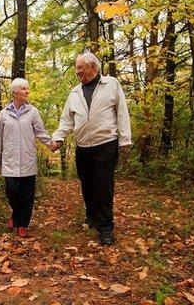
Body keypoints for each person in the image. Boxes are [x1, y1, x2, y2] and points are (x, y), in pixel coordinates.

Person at [50, 52, 132, 245]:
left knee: (103, 185)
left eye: (80, 67)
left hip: (106, 143)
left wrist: (125, 139)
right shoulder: (75, 92)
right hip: (83, 146)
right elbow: (66, 120)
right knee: (87, 185)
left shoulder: (111, 84)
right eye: (77, 67)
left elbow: (122, 111)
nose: (77, 71)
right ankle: (92, 217)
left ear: (93, 67)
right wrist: (59, 137)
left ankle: (105, 228)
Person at [0, 78, 52, 238]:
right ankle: (16, 214)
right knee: (11, 191)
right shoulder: (4, 113)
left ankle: (22, 224)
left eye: (28, 88)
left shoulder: (33, 112)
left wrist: (51, 143)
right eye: (24, 89)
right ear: (15, 92)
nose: (27, 91)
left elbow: (40, 132)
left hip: (27, 160)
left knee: (27, 195)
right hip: (9, 161)